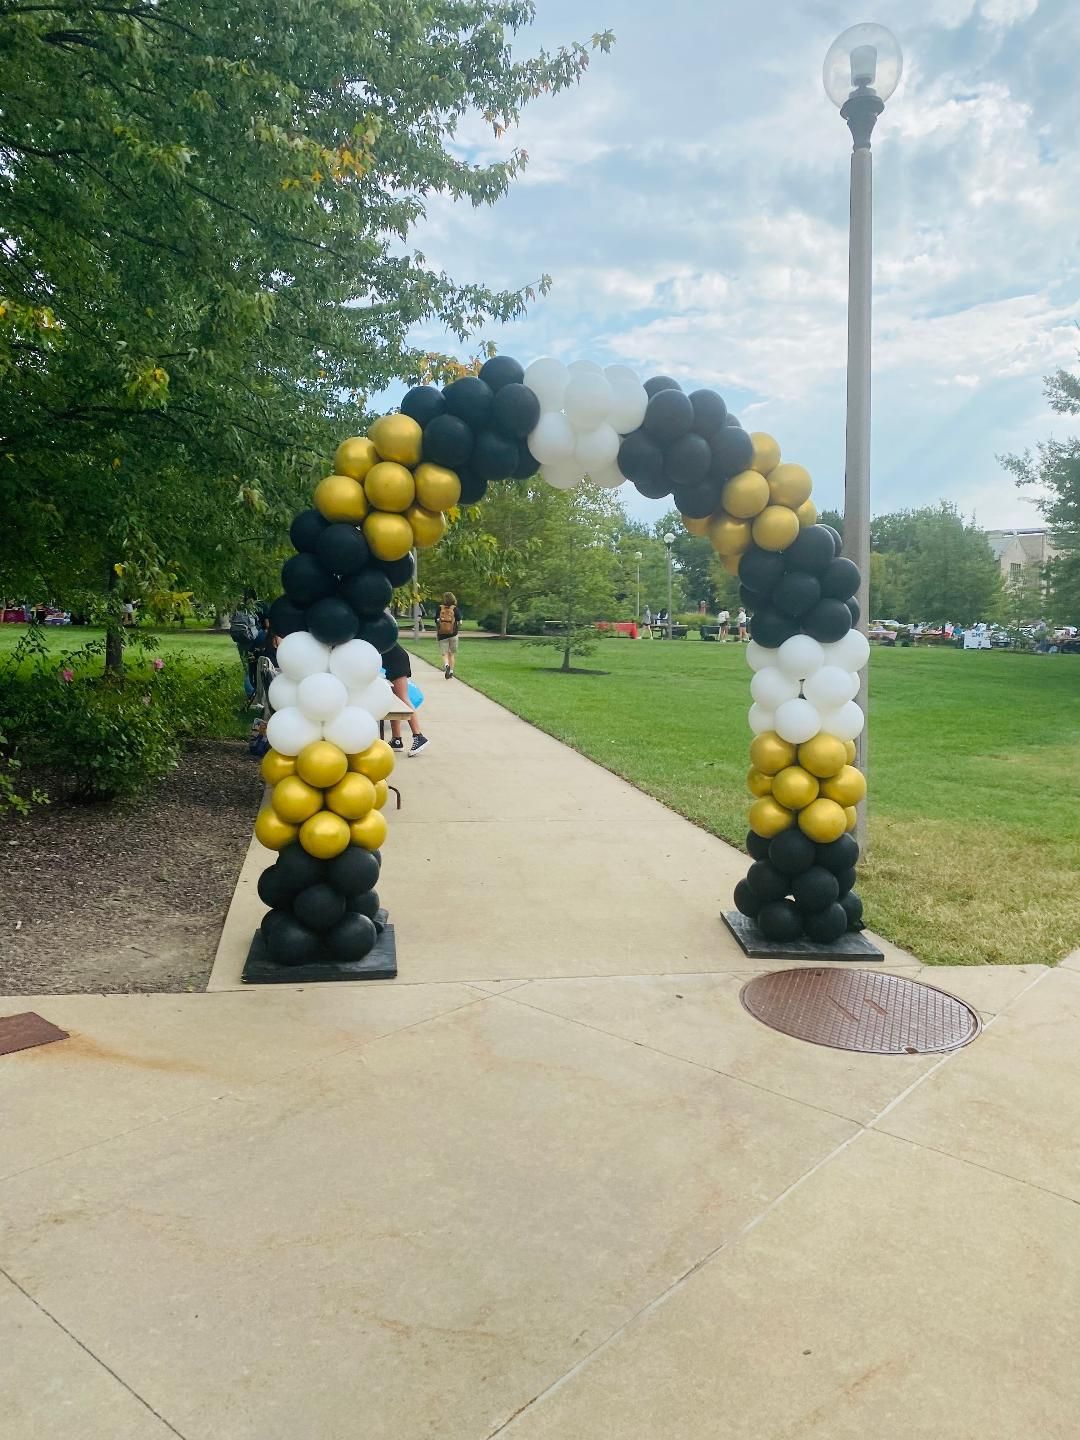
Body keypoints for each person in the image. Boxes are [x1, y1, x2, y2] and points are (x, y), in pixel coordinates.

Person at [383, 643, 430, 756]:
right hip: (391, 661)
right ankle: (396, 740)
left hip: (396, 660)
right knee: (393, 700)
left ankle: (419, 736)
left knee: (402, 698)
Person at [435, 591, 462, 678]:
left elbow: (436, 620)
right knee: (451, 653)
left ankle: (446, 665)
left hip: (442, 635)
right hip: (453, 634)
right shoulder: (455, 609)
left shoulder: (440, 608)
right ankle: (451, 672)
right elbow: (460, 621)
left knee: (444, 653)